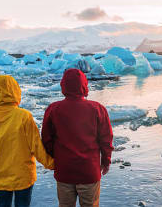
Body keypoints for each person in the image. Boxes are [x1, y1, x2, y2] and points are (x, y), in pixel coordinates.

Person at [42, 68, 114, 207]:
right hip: (89, 172)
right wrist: (106, 160)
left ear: (63, 85)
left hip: (64, 171)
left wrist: (57, 157)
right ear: (84, 85)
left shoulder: (53, 109)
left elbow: (46, 139)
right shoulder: (97, 109)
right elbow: (106, 140)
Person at [0, 75, 54, 207]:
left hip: (0, 175)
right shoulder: (24, 116)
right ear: (15, 90)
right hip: (23, 177)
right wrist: (51, 164)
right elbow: (36, 146)